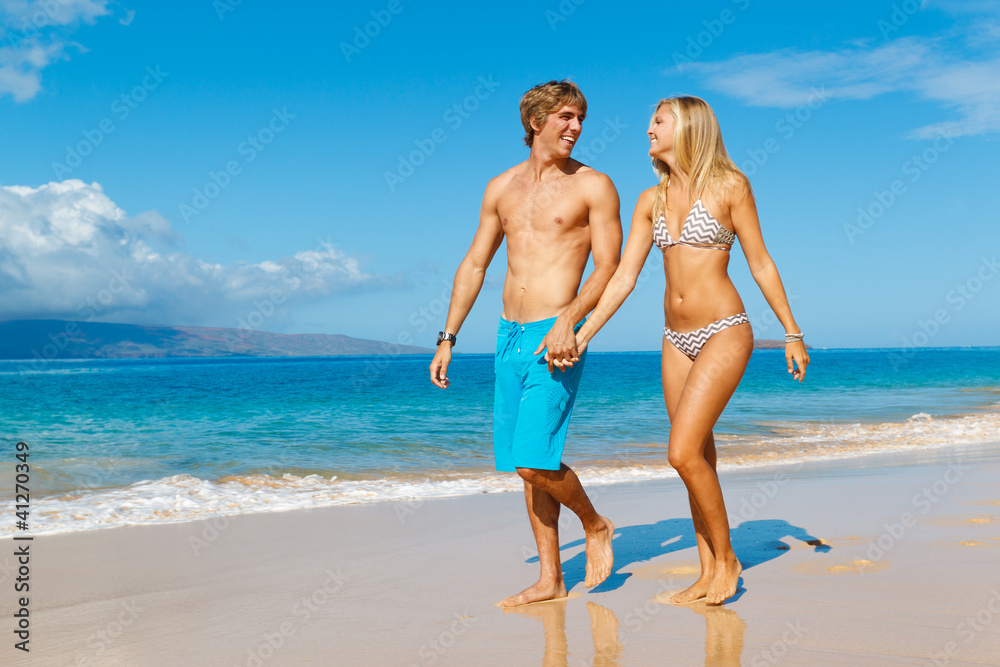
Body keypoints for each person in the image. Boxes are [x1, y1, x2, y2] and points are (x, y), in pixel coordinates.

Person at [574, 96, 809, 605]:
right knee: (697, 455)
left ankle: (727, 561)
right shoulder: (649, 200)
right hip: (674, 339)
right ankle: (706, 570)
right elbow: (623, 278)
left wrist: (791, 331)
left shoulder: (730, 186)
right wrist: (584, 331)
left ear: (688, 126)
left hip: (725, 328)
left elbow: (761, 263)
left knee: (680, 452)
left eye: (657, 121)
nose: (648, 130)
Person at [429, 80, 622, 607]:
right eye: (565, 117)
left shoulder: (594, 186)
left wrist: (571, 322)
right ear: (535, 122)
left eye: (580, 118)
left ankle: (596, 523)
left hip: (554, 336)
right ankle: (551, 578)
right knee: (524, 464)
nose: (576, 127)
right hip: (507, 334)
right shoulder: (501, 188)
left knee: (533, 459)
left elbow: (609, 266)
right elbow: (474, 264)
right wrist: (448, 337)